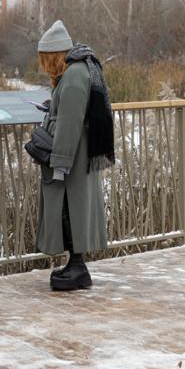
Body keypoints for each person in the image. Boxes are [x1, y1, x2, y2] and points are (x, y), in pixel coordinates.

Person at [33, 20, 115, 291]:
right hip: (80, 156)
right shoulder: (81, 69)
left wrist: (58, 164)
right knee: (73, 208)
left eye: (46, 59)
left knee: (69, 210)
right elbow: (71, 112)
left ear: (54, 55)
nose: (45, 65)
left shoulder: (74, 75)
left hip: (72, 159)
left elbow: (69, 124)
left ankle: (78, 267)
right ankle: (75, 265)